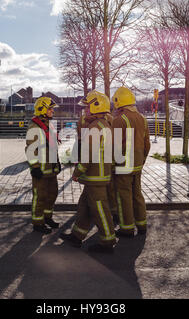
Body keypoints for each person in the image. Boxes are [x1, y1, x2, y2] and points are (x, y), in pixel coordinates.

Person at [60, 90, 116, 254]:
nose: (85, 110)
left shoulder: (94, 128)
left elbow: (87, 156)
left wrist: (77, 172)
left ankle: (108, 241)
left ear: (97, 107)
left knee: (99, 208)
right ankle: (77, 236)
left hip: (95, 176)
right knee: (84, 205)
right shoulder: (104, 124)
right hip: (98, 175)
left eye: (87, 107)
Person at [112, 86, 150, 237]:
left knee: (124, 197)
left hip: (123, 165)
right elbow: (147, 144)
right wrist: (142, 159)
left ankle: (127, 228)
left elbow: (114, 147)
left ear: (118, 102)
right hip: (138, 164)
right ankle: (142, 225)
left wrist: (113, 165)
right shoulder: (143, 118)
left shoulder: (119, 120)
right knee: (137, 194)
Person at [25, 96, 61, 234]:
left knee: (52, 194)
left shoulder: (49, 124)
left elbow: (52, 146)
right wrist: (34, 168)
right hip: (40, 170)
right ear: (42, 109)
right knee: (40, 197)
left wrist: (57, 162)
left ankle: (47, 217)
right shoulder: (34, 126)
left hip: (51, 169)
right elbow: (30, 149)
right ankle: (38, 223)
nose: (52, 111)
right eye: (50, 108)